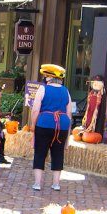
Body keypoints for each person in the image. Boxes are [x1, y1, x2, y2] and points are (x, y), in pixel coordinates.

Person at [28, 64, 76, 192]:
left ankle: (37, 183)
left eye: (45, 76)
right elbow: (69, 114)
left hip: (44, 124)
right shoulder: (66, 91)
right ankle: (56, 184)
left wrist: (33, 126)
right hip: (62, 126)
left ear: (49, 77)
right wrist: (68, 135)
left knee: (40, 153)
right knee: (58, 153)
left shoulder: (42, 89)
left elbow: (35, 110)